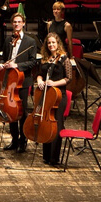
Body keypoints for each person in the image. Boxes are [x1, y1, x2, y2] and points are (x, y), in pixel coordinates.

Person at [0, 13, 37, 154]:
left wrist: (16, 65)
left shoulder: (30, 42)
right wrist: (1, 64)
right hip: (9, 81)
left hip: (23, 81)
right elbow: (3, 57)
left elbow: (33, 61)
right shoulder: (9, 40)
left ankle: (23, 140)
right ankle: (14, 140)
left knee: (22, 111)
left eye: (19, 22)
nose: (17, 24)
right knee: (10, 110)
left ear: (24, 24)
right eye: (14, 22)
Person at [35, 32, 73, 166]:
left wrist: (53, 83)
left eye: (53, 43)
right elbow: (39, 74)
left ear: (58, 44)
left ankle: (54, 158)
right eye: (49, 43)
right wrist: (40, 80)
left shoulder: (64, 59)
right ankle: (46, 156)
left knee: (56, 125)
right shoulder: (45, 58)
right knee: (46, 123)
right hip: (46, 94)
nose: (51, 45)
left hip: (58, 96)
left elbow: (69, 78)